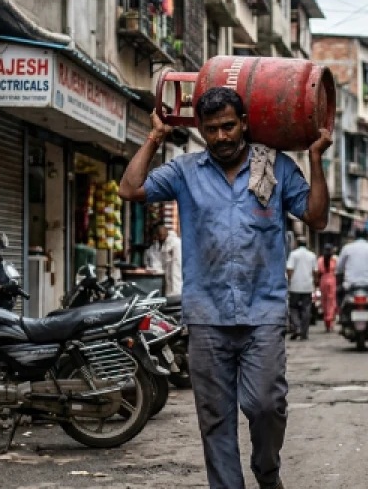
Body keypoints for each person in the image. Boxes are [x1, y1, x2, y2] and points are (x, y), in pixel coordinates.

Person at [118, 86, 331, 489]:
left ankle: (267, 472)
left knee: (266, 405)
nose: (221, 137)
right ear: (201, 130)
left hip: (262, 314)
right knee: (215, 419)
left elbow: (316, 217)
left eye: (229, 126)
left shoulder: (276, 167)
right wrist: (154, 138)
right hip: (206, 315)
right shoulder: (184, 171)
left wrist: (315, 159)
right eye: (212, 129)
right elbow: (130, 190)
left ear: (244, 123)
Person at [336, 229, 368, 307]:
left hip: (350, 285)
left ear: (355, 236)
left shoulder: (347, 248)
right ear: (367, 237)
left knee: (338, 295)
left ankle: (339, 313)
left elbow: (338, 268)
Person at [285, 237, 318, 340]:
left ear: (297, 244)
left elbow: (289, 269)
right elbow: (315, 271)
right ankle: (304, 333)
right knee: (306, 309)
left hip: (295, 286)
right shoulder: (312, 255)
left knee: (293, 308)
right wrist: (314, 283)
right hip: (307, 286)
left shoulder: (294, 254)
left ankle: (297, 327)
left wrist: (289, 281)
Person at [317, 244, 339, 332]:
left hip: (323, 280)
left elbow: (318, 270)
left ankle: (327, 321)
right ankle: (329, 320)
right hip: (332, 280)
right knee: (331, 301)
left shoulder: (320, 260)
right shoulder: (334, 260)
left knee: (324, 301)